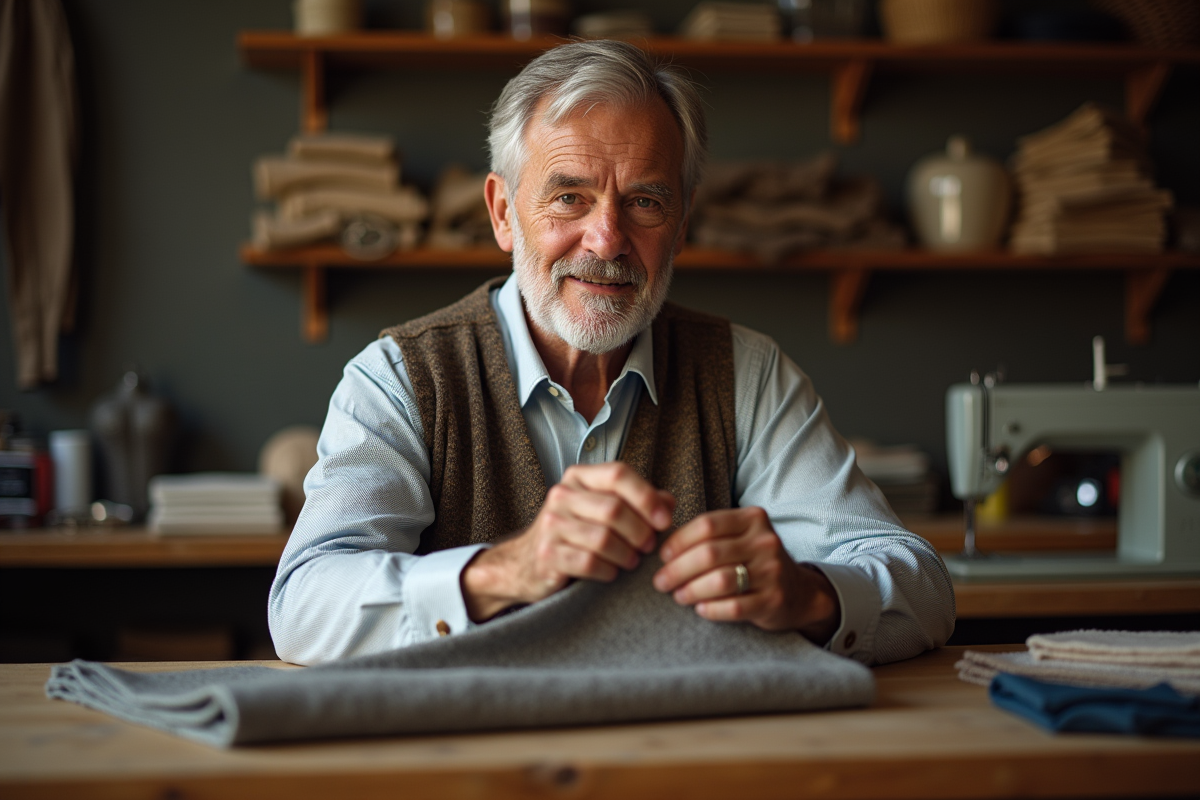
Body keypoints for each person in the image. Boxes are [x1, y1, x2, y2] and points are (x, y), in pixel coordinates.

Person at [269, 40, 954, 667]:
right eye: (569, 197)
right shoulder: (399, 378)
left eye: (645, 202)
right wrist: (505, 572)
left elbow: (922, 589)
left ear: (682, 224)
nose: (606, 240)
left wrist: (808, 595)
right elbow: (303, 605)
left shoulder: (748, 373)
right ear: (503, 212)